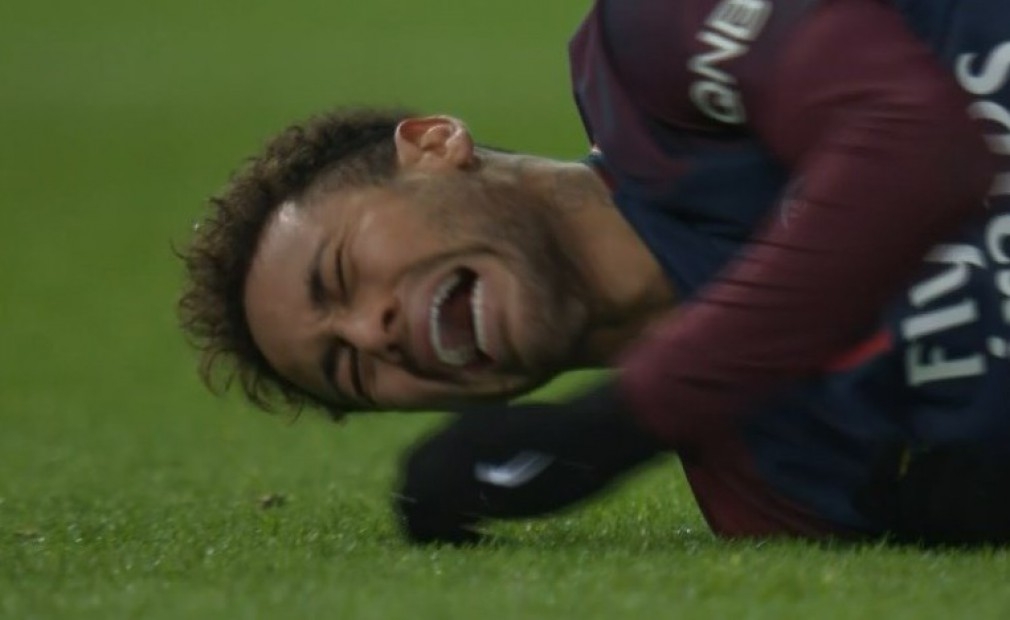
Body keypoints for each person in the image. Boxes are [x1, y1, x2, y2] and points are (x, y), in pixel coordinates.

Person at [178, 0, 1010, 545]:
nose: (372, 332)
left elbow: (918, 145)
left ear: (434, 146)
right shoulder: (770, 485)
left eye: (339, 273)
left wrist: (622, 420)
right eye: (350, 371)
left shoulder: (650, 49)